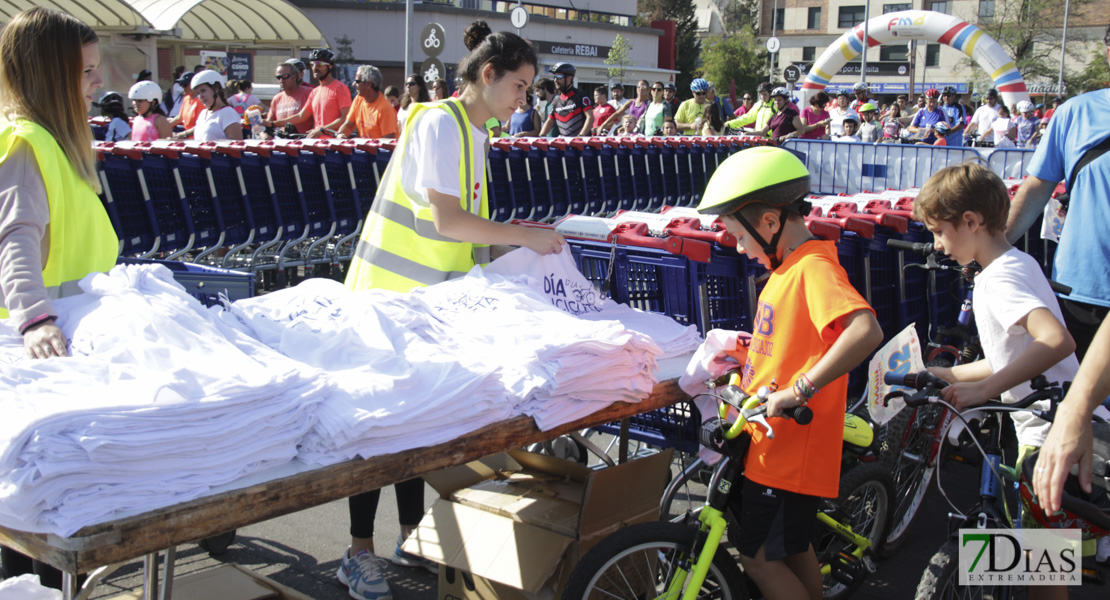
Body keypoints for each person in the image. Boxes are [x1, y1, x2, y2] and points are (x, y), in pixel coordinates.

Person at [340, 26, 566, 599]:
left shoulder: (475, 134)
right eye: (519, 85)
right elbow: (447, 222)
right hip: (388, 298)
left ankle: (412, 536)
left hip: (430, 303)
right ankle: (357, 552)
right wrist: (526, 237)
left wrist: (519, 260)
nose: (524, 99)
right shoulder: (440, 123)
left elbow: (472, 237)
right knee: (378, 427)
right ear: (487, 75)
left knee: (420, 424)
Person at [695, 147, 882, 600]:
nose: (738, 248)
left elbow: (865, 330)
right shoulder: (788, 267)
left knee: (757, 560)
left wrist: (799, 390)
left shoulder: (812, 267)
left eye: (740, 236)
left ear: (770, 224)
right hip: (773, 445)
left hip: (789, 452)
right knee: (793, 550)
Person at [917, 163, 1079, 599]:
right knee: (1042, 557)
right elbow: (1015, 355)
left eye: (938, 231)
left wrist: (984, 390)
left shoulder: (998, 278)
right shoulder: (1015, 262)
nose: (937, 245)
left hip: (1046, 433)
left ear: (970, 222)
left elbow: (1055, 341)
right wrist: (946, 374)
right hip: (1048, 426)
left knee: (1044, 568)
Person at [0, 7, 120, 589]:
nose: (99, 81)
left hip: (63, 345)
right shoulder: (27, 144)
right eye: (87, 71)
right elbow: (15, 240)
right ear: (52, 76)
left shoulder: (54, 144)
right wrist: (34, 321)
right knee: (33, 533)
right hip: (42, 350)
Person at [268, 48, 352, 139]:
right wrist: (273, 123)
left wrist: (322, 130)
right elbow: (300, 116)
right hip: (317, 145)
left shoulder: (340, 88)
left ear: (330, 66)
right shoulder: (315, 91)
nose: (315, 67)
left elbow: (346, 118)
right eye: (312, 64)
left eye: (319, 64)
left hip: (334, 145)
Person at [335, 65, 398, 140]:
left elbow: (388, 143)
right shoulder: (358, 99)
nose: (354, 84)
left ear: (368, 84)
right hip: (366, 150)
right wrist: (339, 135)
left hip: (381, 151)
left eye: (357, 81)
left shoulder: (385, 108)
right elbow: (348, 126)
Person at [177, 70, 242, 142]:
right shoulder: (203, 113)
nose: (200, 96)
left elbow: (236, 146)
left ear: (216, 89)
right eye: (198, 93)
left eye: (203, 90)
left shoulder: (228, 113)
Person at [538, 62, 592, 137]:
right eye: (554, 77)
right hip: (565, 145)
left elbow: (590, 118)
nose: (556, 80)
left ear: (570, 78)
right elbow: (549, 121)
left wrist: (580, 136)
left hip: (581, 145)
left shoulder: (581, 96)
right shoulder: (556, 100)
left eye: (559, 77)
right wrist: (541, 136)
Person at [262, 62, 313, 139]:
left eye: (285, 76)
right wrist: (264, 135)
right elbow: (269, 125)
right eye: (278, 77)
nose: (281, 80)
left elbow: (319, 120)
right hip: (285, 146)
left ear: (294, 76)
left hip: (306, 145)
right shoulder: (277, 99)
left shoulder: (309, 92)